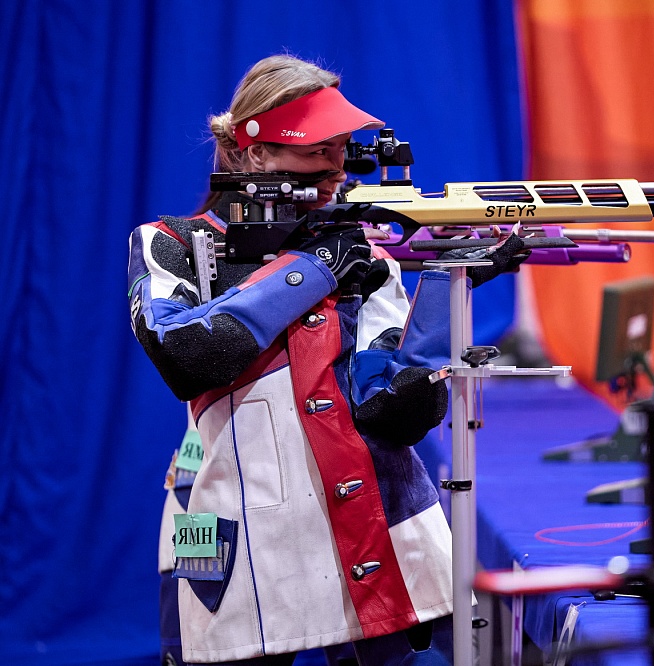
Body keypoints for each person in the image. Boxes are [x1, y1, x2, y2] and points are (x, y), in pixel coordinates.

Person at [128, 54, 525, 665]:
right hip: (238, 524)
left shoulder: (359, 249)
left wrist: (450, 286)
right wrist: (313, 269)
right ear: (254, 153)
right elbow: (187, 358)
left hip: (378, 529)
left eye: (341, 149)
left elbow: (390, 411)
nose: (336, 169)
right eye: (316, 151)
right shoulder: (172, 243)